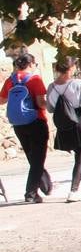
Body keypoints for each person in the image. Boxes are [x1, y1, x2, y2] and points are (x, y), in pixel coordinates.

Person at [3, 52, 53, 203]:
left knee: (33, 158)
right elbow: (40, 103)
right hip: (36, 122)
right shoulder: (35, 79)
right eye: (35, 64)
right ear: (31, 64)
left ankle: (42, 186)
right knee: (38, 159)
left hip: (18, 124)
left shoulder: (9, 81)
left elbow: (1, 100)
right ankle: (30, 193)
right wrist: (53, 104)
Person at [46, 57, 81, 201]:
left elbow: (50, 108)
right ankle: (73, 191)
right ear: (71, 68)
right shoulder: (77, 83)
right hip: (80, 122)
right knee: (80, 157)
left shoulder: (51, 86)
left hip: (64, 125)